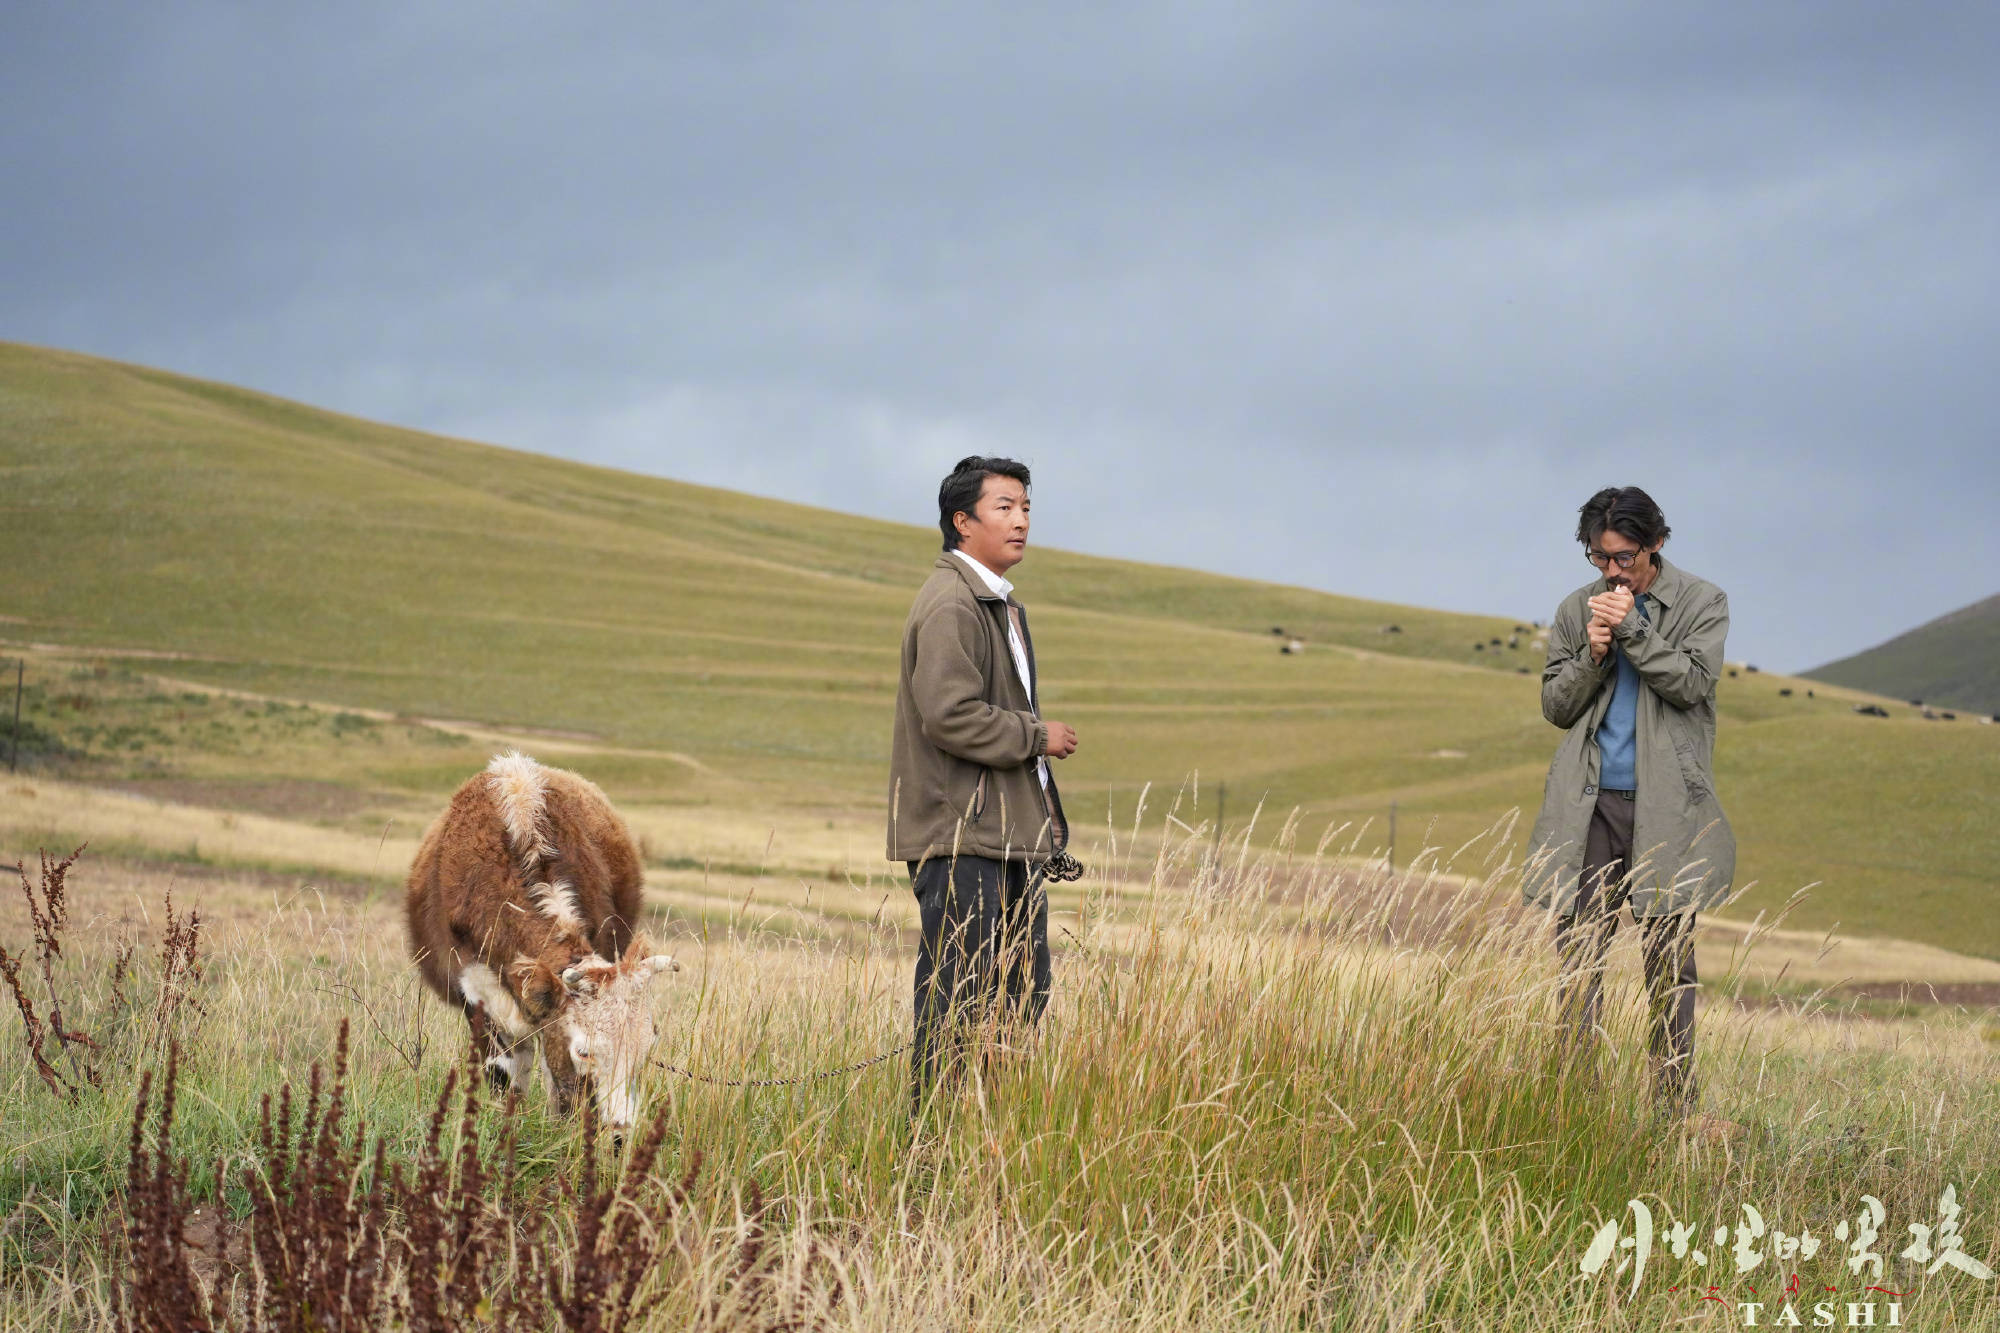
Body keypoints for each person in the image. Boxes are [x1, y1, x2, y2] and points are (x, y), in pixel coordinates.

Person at [1524, 486, 1735, 1114]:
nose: (1612, 572)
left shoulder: (1702, 602)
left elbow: (1692, 686)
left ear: (1656, 544)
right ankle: (1574, 1106)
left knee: (1669, 967)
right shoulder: (1576, 608)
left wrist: (1634, 630)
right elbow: (1556, 707)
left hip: (1667, 811)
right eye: (1600, 557)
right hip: (1589, 809)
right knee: (1579, 958)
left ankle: (1674, 1109)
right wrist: (1592, 655)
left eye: (1624, 558)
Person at [887, 456, 1081, 1117]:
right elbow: (949, 715)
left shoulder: (992, 603)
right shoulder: (952, 604)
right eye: (1004, 507)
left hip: (1000, 836)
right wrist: (1036, 734)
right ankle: (933, 1149)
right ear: (962, 521)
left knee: (1021, 992)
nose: (1021, 520)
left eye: (1025, 507)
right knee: (959, 1000)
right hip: (962, 836)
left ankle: (984, 1133)